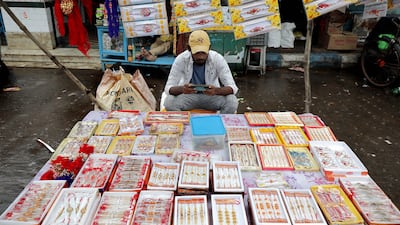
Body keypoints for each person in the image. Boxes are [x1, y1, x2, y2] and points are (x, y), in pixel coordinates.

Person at [163, 30, 238, 114]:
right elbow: (168, 88)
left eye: (203, 52)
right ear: (189, 49)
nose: (201, 57)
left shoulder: (217, 58)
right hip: (188, 97)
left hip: (212, 97)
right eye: (197, 53)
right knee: (169, 102)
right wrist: (182, 89)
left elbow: (233, 88)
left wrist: (216, 91)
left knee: (232, 101)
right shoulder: (181, 59)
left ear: (209, 48)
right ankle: (184, 123)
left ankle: (219, 123)